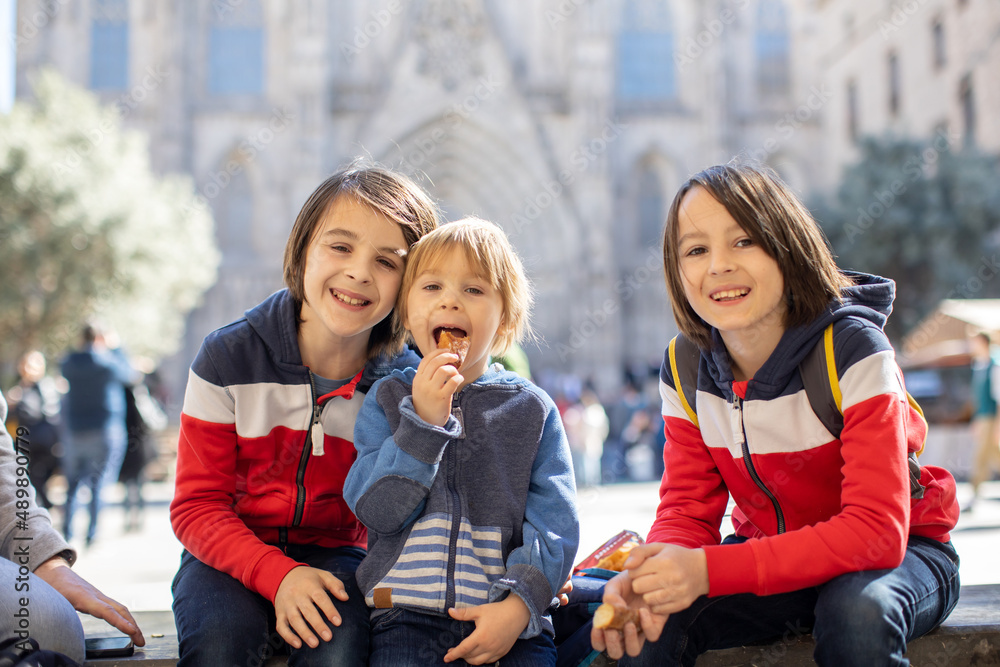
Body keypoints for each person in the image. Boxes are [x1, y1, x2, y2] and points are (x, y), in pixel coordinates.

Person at [592, 161, 961, 666]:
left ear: (788, 247)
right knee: (650, 622)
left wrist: (707, 570)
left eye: (744, 241)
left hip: (901, 556)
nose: (719, 265)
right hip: (770, 556)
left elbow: (876, 531)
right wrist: (654, 573)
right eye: (696, 250)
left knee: (856, 614)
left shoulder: (853, 348)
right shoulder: (684, 365)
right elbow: (685, 510)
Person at [169, 163, 440, 667]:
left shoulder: (405, 383)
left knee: (337, 650)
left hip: (340, 556)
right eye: (340, 247)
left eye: (387, 261)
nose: (359, 271)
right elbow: (196, 507)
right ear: (302, 249)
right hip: (226, 553)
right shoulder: (228, 357)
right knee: (223, 643)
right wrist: (277, 575)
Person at [344, 218, 580, 666]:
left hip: (511, 622)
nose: (450, 299)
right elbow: (376, 510)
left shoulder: (532, 410)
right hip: (404, 617)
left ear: (505, 318)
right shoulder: (389, 400)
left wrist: (516, 608)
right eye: (431, 287)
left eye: (474, 290)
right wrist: (424, 424)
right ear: (407, 313)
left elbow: (555, 525)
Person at [0, 390, 145, 663]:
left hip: (75, 439)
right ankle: (92, 533)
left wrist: (43, 557)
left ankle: (89, 534)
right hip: (98, 436)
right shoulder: (109, 365)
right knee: (95, 487)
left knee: (50, 625)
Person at [60, 324, 137, 545]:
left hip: (74, 431)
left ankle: (67, 533)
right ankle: (92, 535)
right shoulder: (109, 363)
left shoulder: (68, 363)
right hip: (105, 429)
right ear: (101, 338)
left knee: (73, 485)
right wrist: (116, 347)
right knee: (99, 483)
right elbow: (130, 374)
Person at [6, 350, 62, 509]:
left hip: (43, 441)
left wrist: (19, 400)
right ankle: (44, 507)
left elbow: (44, 413)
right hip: (25, 442)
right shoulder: (18, 388)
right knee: (28, 478)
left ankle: (45, 507)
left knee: (37, 478)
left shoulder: (45, 387)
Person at [966, 331, 1000, 511]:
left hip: (992, 417)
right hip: (983, 416)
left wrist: (997, 426)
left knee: (980, 457)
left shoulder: (995, 365)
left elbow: (998, 397)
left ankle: (974, 496)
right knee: (994, 455)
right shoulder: (978, 364)